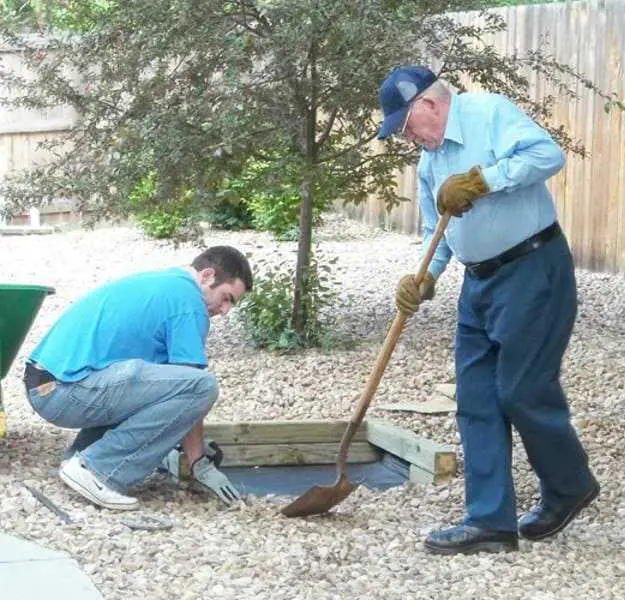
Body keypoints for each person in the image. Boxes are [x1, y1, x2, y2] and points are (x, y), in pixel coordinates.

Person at [377, 65, 599, 554]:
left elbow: (549, 155)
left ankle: (569, 486)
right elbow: (440, 231)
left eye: (406, 125)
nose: (407, 137)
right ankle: (490, 522)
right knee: (476, 398)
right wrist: (424, 277)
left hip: (531, 267)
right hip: (477, 284)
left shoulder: (490, 112)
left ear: (428, 107)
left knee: (521, 389)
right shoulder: (429, 162)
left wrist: (485, 180)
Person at [23, 245, 253, 511]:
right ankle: (97, 470)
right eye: (227, 298)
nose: (225, 310)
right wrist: (198, 461)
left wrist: (170, 445)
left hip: (47, 384)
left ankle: (80, 458)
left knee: (157, 380)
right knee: (203, 386)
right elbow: (191, 389)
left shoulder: (166, 284)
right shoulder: (189, 303)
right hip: (65, 391)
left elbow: (161, 390)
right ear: (206, 276)